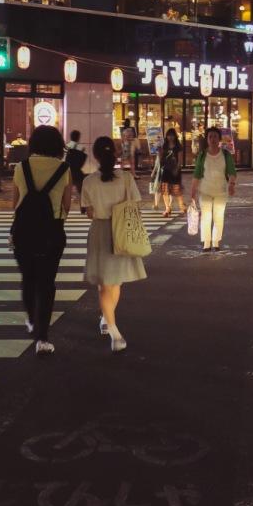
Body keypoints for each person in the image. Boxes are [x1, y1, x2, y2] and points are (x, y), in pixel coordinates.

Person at [82, 137, 147, 352]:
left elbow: (89, 213)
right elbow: (136, 203)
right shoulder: (126, 178)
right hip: (122, 230)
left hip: (100, 231)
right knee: (115, 281)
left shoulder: (89, 181)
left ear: (96, 156)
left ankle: (110, 324)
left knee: (105, 283)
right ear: (115, 153)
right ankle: (111, 327)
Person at [12, 126, 71, 355]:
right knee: (46, 283)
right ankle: (43, 339)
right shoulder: (64, 169)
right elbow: (66, 207)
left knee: (28, 277)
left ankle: (30, 319)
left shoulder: (21, 168)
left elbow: (14, 204)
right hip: (52, 232)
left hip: (24, 231)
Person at [190, 127, 236, 253]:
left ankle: (216, 241)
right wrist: (193, 192)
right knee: (206, 216)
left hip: (221, 191)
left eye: (215, 136)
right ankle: (206, 242)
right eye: (210, 136)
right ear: (207, 139)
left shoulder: (225, 155)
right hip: (204, 190)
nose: (213, 139)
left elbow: (232, 171)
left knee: (218, 216)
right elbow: (197, 174)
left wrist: (231, 184)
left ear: (219, 139)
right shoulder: (202, 155)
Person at [158, 128, 185, 216]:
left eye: (172, 135)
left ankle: (182, 207)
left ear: (175, 136)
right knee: (165, 190)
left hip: (175, 170)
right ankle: (167, 208)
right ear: (167, 136)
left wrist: (177, 169)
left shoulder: (178, 146)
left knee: (177, 190)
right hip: (166, 170)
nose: (170, 137)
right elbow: (161, 158)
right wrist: (159, 153)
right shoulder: (164, 146)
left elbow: (180, 160)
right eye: (169, 135)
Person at [64, 130, 88, 200]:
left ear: (70, 137)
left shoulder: (66, 147)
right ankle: (82, 206)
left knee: (66, 190)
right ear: (78, 137)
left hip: (67, 172)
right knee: (81, 191)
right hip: (77, 173)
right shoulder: (82, 148)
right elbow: (82, 161)